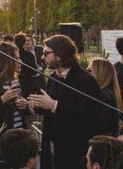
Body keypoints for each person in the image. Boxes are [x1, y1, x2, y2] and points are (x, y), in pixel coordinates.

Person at [28, 34, 104, 169]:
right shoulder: (53, 77)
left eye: (46, 53)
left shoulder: (85, 80)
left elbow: (89, 115)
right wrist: (37, 105)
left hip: (74, 150)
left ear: (60, 54)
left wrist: (53, 105)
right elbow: (51, 107)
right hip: (52, 147)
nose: (42, 56)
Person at [88, 58, 123, 136]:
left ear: (99, 73)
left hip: (101, 141)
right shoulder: (110, 92)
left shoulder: (103, 95)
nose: (87, 74)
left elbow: (100, 124)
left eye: (90, 71)